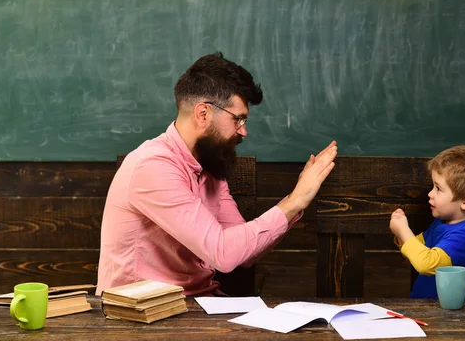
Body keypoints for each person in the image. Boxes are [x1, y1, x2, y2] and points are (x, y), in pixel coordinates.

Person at [96, 52, 337, 296]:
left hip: (195, 306)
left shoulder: (209, 165)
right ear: (203, 114)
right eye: (238, 119)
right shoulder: (153, 166)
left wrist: (293, 205)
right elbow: (223, 254)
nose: (244, 132)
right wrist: (295, 201)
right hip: (139, 316)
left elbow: (244, 255)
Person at [389, 144, 465, 298]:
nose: (430, 194)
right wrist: (399, 235)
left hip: (458, 315)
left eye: (438, 188)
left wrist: (403, 230)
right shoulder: (442, 222)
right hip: (429, 310)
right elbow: (417, 251)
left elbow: (426, 264)